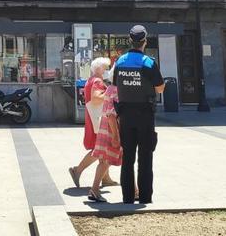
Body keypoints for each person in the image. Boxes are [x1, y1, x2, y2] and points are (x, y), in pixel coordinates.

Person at [113, 25, 164, 204]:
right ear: (145, 41)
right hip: (145, 114)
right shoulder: (149, 62)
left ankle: (127, 197)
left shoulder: (119, 62)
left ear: (130, 41)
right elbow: (159, 87)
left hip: (125, 115)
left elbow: (115, 85)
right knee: (145, 157)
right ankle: (144, 197)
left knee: (127, 157)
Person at [69, 57, 117, 189]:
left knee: (102, 149)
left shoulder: (91, 80)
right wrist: (110, 93)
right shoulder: (97, 81)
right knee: (99, 149)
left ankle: (106, 178)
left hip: (93, 117)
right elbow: (96, 98)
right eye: (105, 67)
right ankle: (77, 170)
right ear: (99, 69)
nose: (107, 70)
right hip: (98, 119)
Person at [88, 66, 121, 202]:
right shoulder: (117, 90)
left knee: (107, 160)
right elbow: (112, 114)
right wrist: (115, 136)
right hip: (112, 128)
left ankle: (95, 189)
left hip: (107, 126)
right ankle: (94, 189)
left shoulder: (110, 88)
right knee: (108, 160)